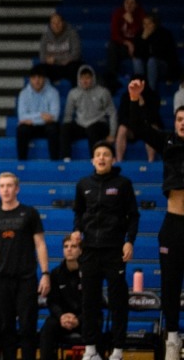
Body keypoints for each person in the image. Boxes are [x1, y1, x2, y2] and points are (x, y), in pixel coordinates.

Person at [127, 78, 184, 360]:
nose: (183, 122)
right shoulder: (168, 141)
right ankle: (172, 337)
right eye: (180, 119)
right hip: (174, 224)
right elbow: (138, 128)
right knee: (170, 285)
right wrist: (136, 100)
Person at [71, 141, 139, 360]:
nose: (101, 158)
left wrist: (129, 241)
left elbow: (133, 216)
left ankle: (118, 350)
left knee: (118, 302)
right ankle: (91, 350)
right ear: (93, 160)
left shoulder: (123, 184)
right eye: (98, 154)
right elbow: (79, 213)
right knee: (89, 301)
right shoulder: (83, 184)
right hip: (89, 251)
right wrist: (76, 230)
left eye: (106, 154)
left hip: (114, 251)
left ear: (113, 159)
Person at [0, 172, 51, 360]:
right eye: (2, 186)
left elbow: (40, 245)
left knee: (28, 328)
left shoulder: (30, 213)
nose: (6, 189)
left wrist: (45, 273)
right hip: (0, 280)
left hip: (26, 279)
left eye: (9, 185)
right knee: (5, 329)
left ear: (17, 188)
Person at [39, 235, 84, 360]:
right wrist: (61, 316)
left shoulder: (90, 273)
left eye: (73, 246)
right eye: (66, 246)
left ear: (81, 250)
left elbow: (93, 303)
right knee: (48, 327)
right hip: (62, 319)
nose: (69, 249)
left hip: (83, 318)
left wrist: (78, 319)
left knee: (95, 324)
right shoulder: (55, 273)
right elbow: (52, 301)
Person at [60, 64, 117, 161]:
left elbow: (112, 113)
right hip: (81, 124)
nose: (85, 81)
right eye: (82, 78)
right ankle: (66, 159)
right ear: (78, 79)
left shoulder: (103, 92)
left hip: (98, 124)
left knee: (92, 130)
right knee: (65, 128)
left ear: (93, 78)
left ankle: (94, 159)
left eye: (87, 78)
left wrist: (112, 134)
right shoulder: (73, 93)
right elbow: (68, 115)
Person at [16, 64, 61, 160]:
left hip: (47, 127)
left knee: (53, 128)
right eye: (34, 77)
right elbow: (22, 117)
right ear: (30, 79)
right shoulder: (23, 94)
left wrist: (31, 119)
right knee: (21, 129)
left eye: (40, 77)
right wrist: (41, 115)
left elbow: (54, 117)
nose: (37, 80)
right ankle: (21, 162)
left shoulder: (53, 92)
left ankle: (55, 162)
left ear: (44, 78)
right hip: (31, 127)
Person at [115, 74, 161, 163]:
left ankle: (151, 160)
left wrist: (142, 105)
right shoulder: (125, 96)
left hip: (147, 126)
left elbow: (154, 117)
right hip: (131, 128)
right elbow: (122, 116)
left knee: (153, 128)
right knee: (122, 129)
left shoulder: (152, 96)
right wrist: (134, 125)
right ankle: (119, 160)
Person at [106, 0, 145, 93]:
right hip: (122, 45)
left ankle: (140, 83)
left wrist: (132, 22)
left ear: (136, 5)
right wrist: (127, 42)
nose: (129, 5)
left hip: (136, 45)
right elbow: (114, 34)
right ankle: (111, 80)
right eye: (127, 2)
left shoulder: (140, 14)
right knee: (112, 47)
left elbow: (142, 35)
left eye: (132, 3)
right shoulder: (118, 13)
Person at [137, 13, 180, 92]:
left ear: (155, 24)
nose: (146, 26)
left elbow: (169, 56)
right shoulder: (141, 34)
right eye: (144, 23)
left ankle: (151, 92)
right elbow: (136, 54)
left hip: (162, 66)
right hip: (145, 66)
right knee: (137, 61)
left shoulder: (164, 34)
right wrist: (143, 39)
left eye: (149, 23)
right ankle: (138, 87)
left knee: (152, 61)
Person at [38, 13, 82, 85]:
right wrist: (63, 59)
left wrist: (54, 59)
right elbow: (42, 57)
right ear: (50, 25)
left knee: (76, 67)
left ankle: (75, 93)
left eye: (58, 22)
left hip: (68, 66)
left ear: (63, 23)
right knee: (40, 69)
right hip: (53, 67)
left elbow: (76, 54)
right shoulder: (45, 37)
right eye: (53, 23)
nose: (56, 25)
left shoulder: (72, 33)